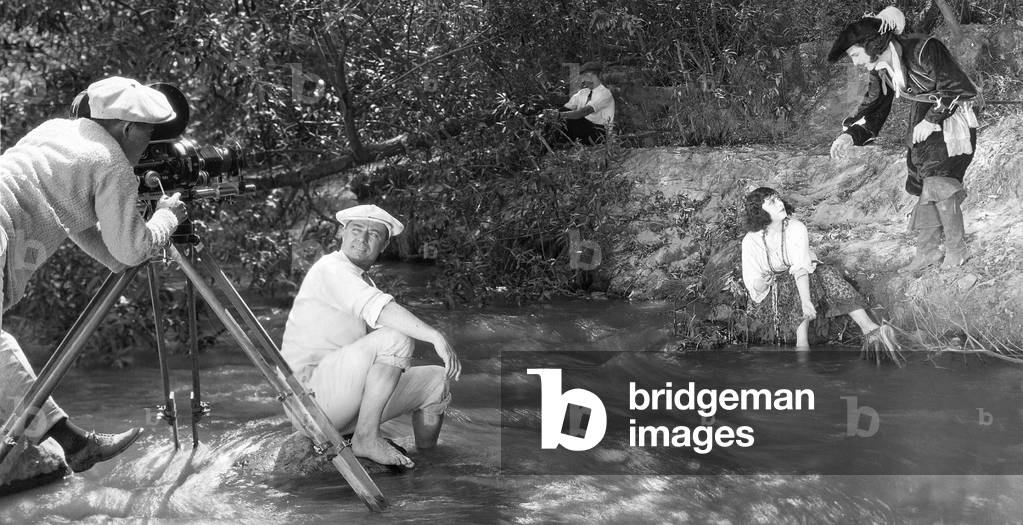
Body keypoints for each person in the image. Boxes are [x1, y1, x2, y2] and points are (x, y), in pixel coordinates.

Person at [0, 76, 188, 475]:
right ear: (127, 128)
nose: (149, 146)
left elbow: (79, 223)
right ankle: (73, 442)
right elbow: (134, 249)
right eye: (149, 134)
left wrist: (125, 252)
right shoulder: (111, 161)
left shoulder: (57, 131)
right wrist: (167, 217)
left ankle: (73, 442)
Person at [281, 204, 459, 468]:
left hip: (342, 398)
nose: (362, 239)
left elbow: (381, 358)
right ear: (342, 233)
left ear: (384, 245)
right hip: (311, 400)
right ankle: (366, 438)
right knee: (397, 336)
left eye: (373, 234)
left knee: (436, 381)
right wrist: (435, 336)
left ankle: (428, 462)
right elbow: (382, 310)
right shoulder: (329, 268)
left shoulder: (361, 279)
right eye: (356, 229)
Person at [828, 6, 979, 273]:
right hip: (920, 122)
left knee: (938, 178)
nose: (855, 62)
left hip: (951, 120)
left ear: (872, 44)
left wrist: (932, 119)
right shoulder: (881, 67)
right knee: (923, 182)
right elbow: (874, 106)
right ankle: (927, 253)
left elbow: (959, 87)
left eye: (854, 54)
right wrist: (849, 135)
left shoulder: (924, 48)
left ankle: (957, 250)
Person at [741, 187, 898, 355]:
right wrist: (762, 283)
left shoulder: (796, 227)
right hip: (773, 294)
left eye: (778, 199)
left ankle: (869, 329)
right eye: (772, 202)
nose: (780, 203)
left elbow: (801, 268)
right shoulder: (751, 241)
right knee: (792, 283)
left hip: (804, 275)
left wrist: (806, 301)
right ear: (759, 212)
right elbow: (753, 282)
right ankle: (802, 346)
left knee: (827, 273)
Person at [549, 61, 615, 145]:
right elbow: (566, 109)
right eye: (586, 76)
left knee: (569, 117)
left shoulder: (605, 93)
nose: (588, 79)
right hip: (584, 128)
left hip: (599, 133)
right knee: (563, 111)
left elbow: (583, 112)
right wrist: (554, 113)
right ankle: (552, 143)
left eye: (592, 76)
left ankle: (557, 143)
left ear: (598, 76)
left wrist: (559, 115)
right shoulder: (582, 92)